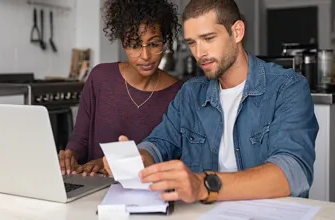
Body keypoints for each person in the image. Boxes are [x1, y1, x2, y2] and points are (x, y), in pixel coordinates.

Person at [104, 0, 319, 204]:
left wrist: (205, 185)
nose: (200, 53)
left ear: (237, 32)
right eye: (192, 43)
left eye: (208, 39)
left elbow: (293, 171)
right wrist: (138, 159)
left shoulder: (288, 87)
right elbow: (160, 143)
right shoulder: (190, 93)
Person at [59, 0, 183, 177]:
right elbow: (80, 140)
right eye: (134, 45)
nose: (145, 56)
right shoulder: (100, 78)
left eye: (154, 44)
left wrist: (107, 164)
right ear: (123, 44)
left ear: (165, 41)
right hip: (94, 188)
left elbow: (173, 157)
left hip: (148, 194)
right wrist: (71, 155)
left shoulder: (179, 94)